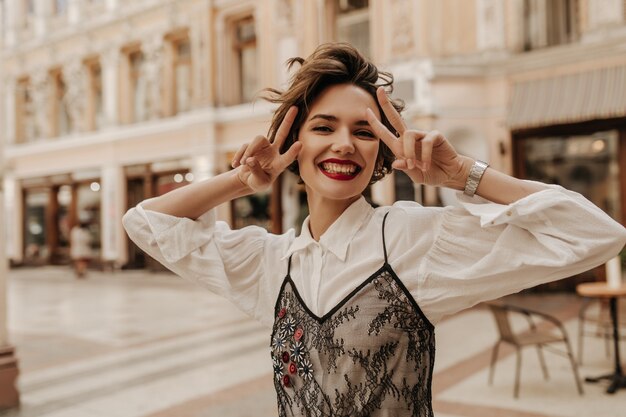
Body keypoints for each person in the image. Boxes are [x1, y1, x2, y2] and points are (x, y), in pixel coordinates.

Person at [123, 43, 626, 417]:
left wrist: (463, 176)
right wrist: (240, 182)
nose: (344, 144)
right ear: (292, 144)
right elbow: (147, 223)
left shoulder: (413, 240)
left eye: (363, 132)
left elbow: (595, 234)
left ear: (382, 152)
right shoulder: (272, 261)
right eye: (324, 127)